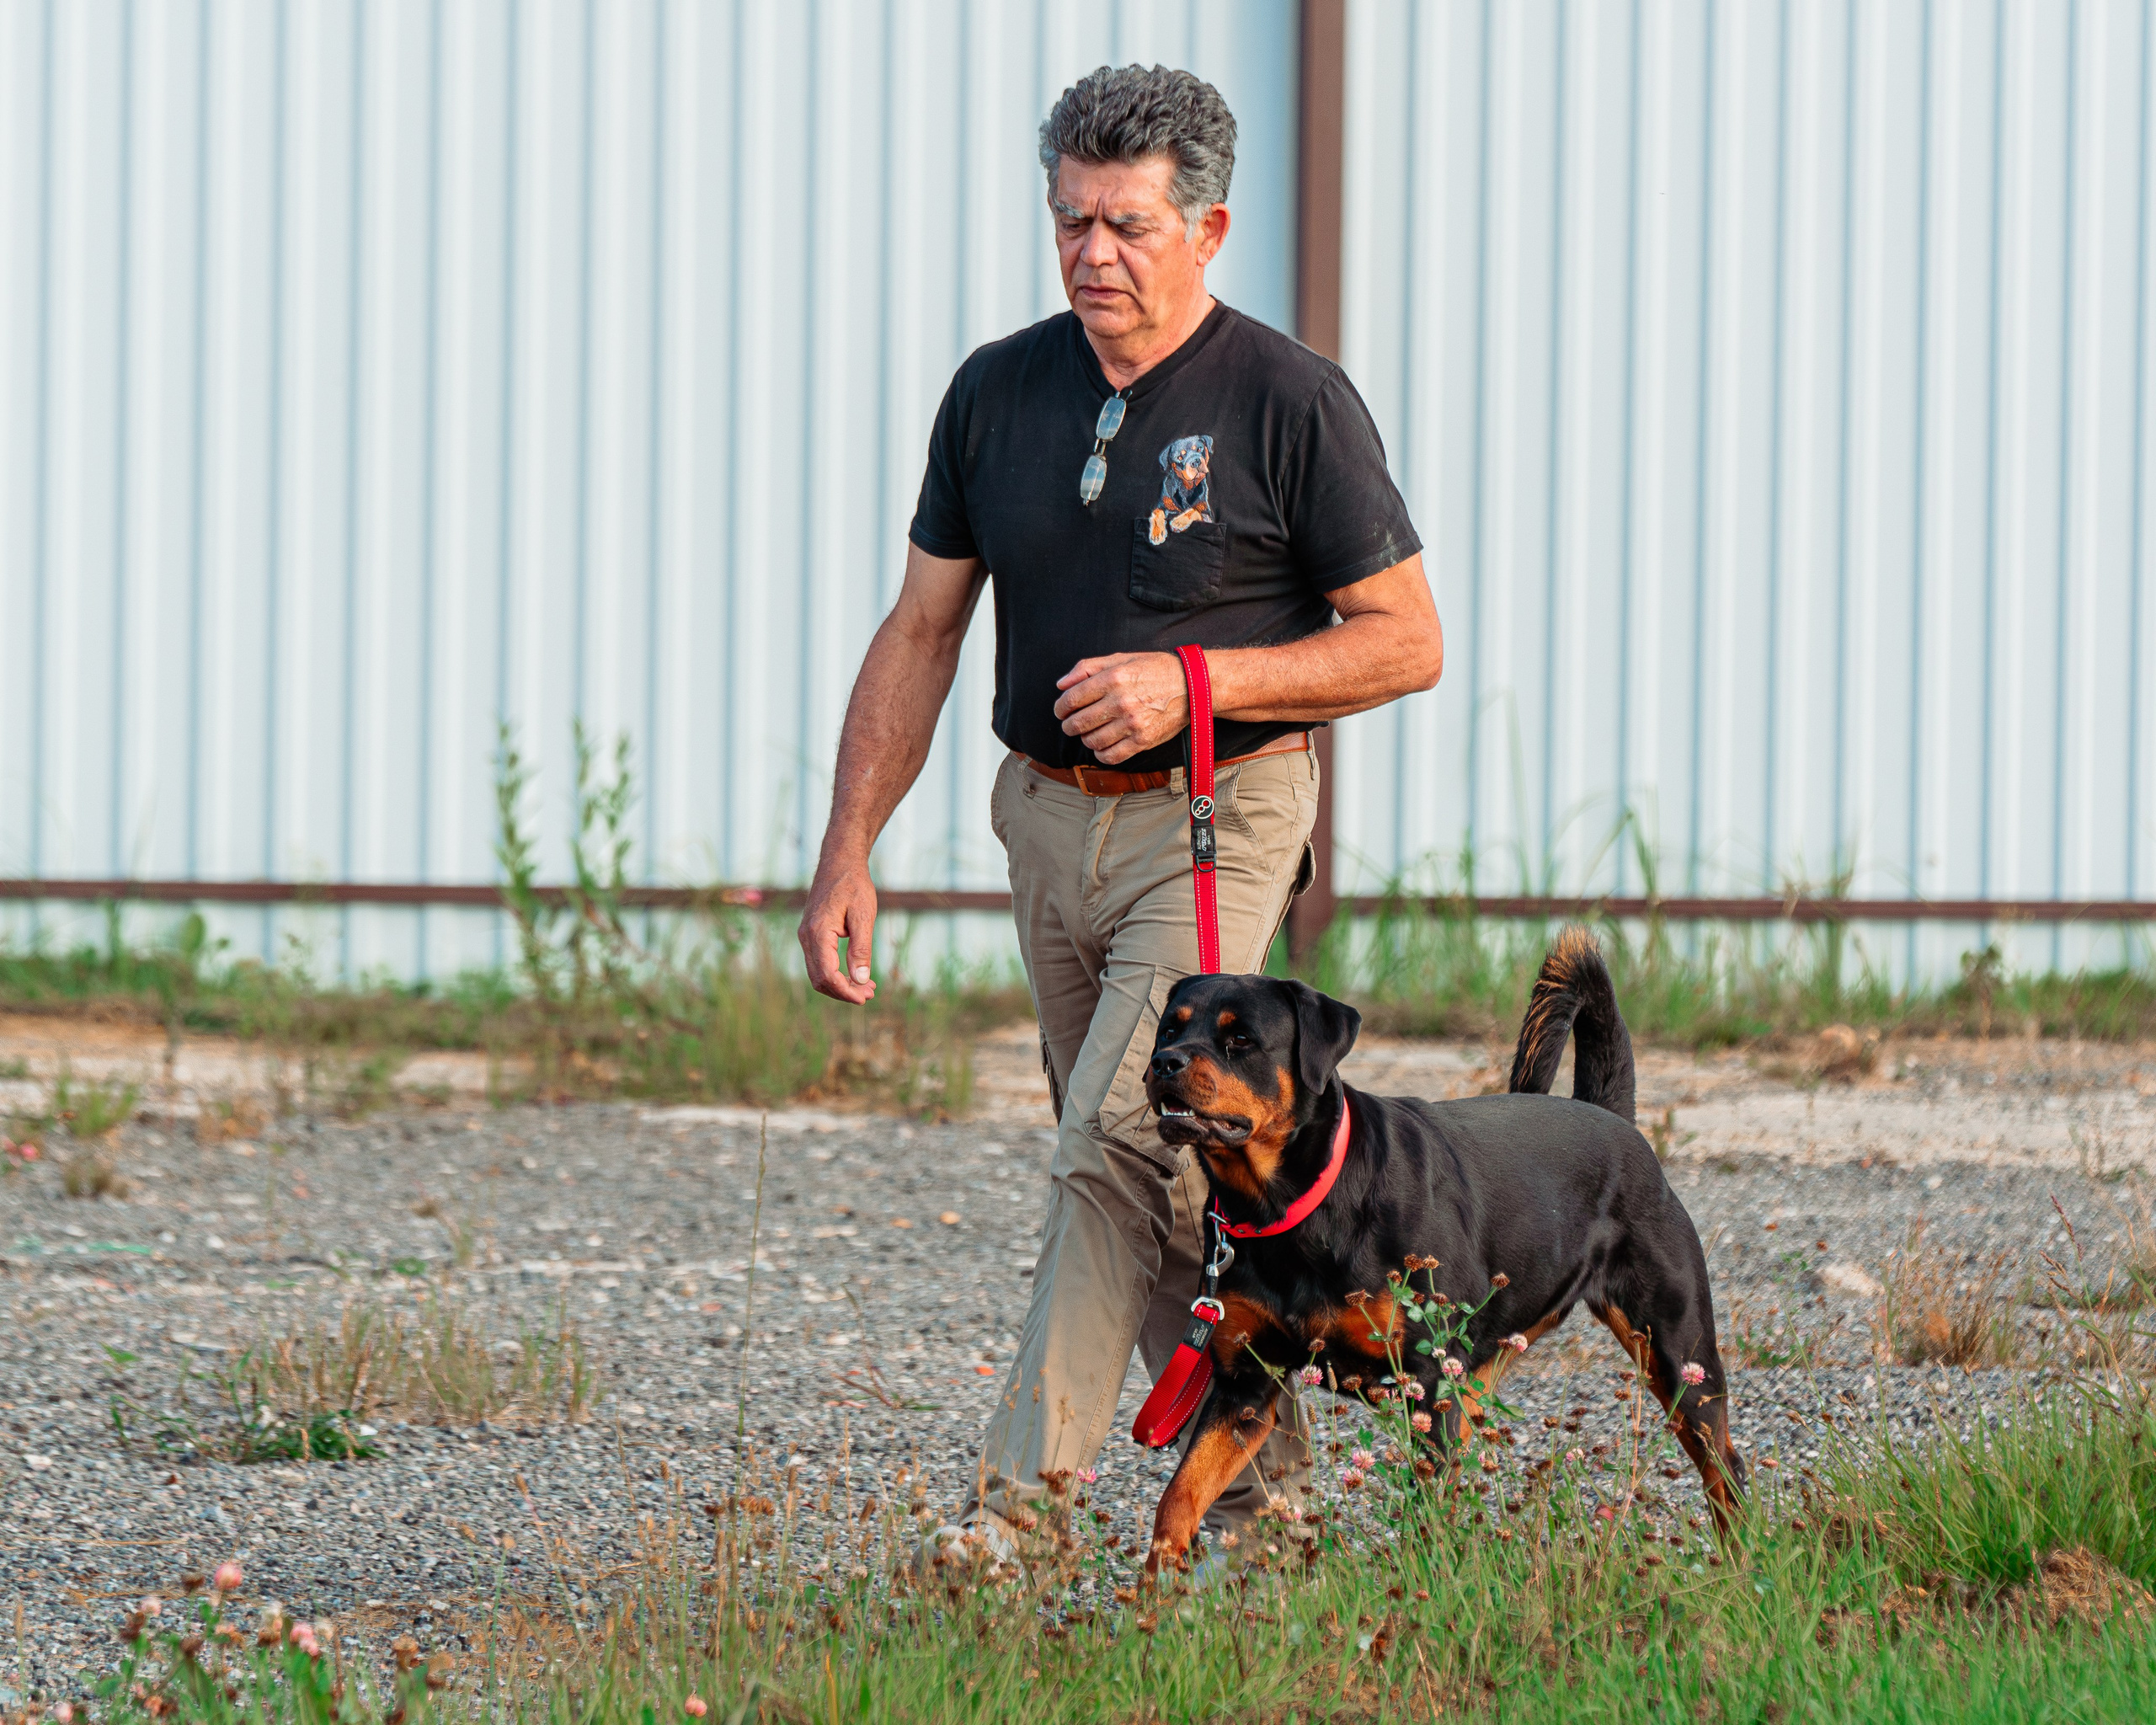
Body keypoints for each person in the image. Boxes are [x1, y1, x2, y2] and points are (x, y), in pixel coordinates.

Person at [798, 63, 1442, 1572]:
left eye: (1130, 225)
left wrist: (1194, 682)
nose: (1095, 253)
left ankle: (1012, 1516)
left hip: (1216, 817)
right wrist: (847, 852)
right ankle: (1270, 1503)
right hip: (1045, 824)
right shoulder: (996, 391)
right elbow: (922, 631)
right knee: (1152, 1160)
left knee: (1109, 1137)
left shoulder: (1290, 401)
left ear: (1206, 229)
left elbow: (1406, 641)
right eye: (1072, 220)